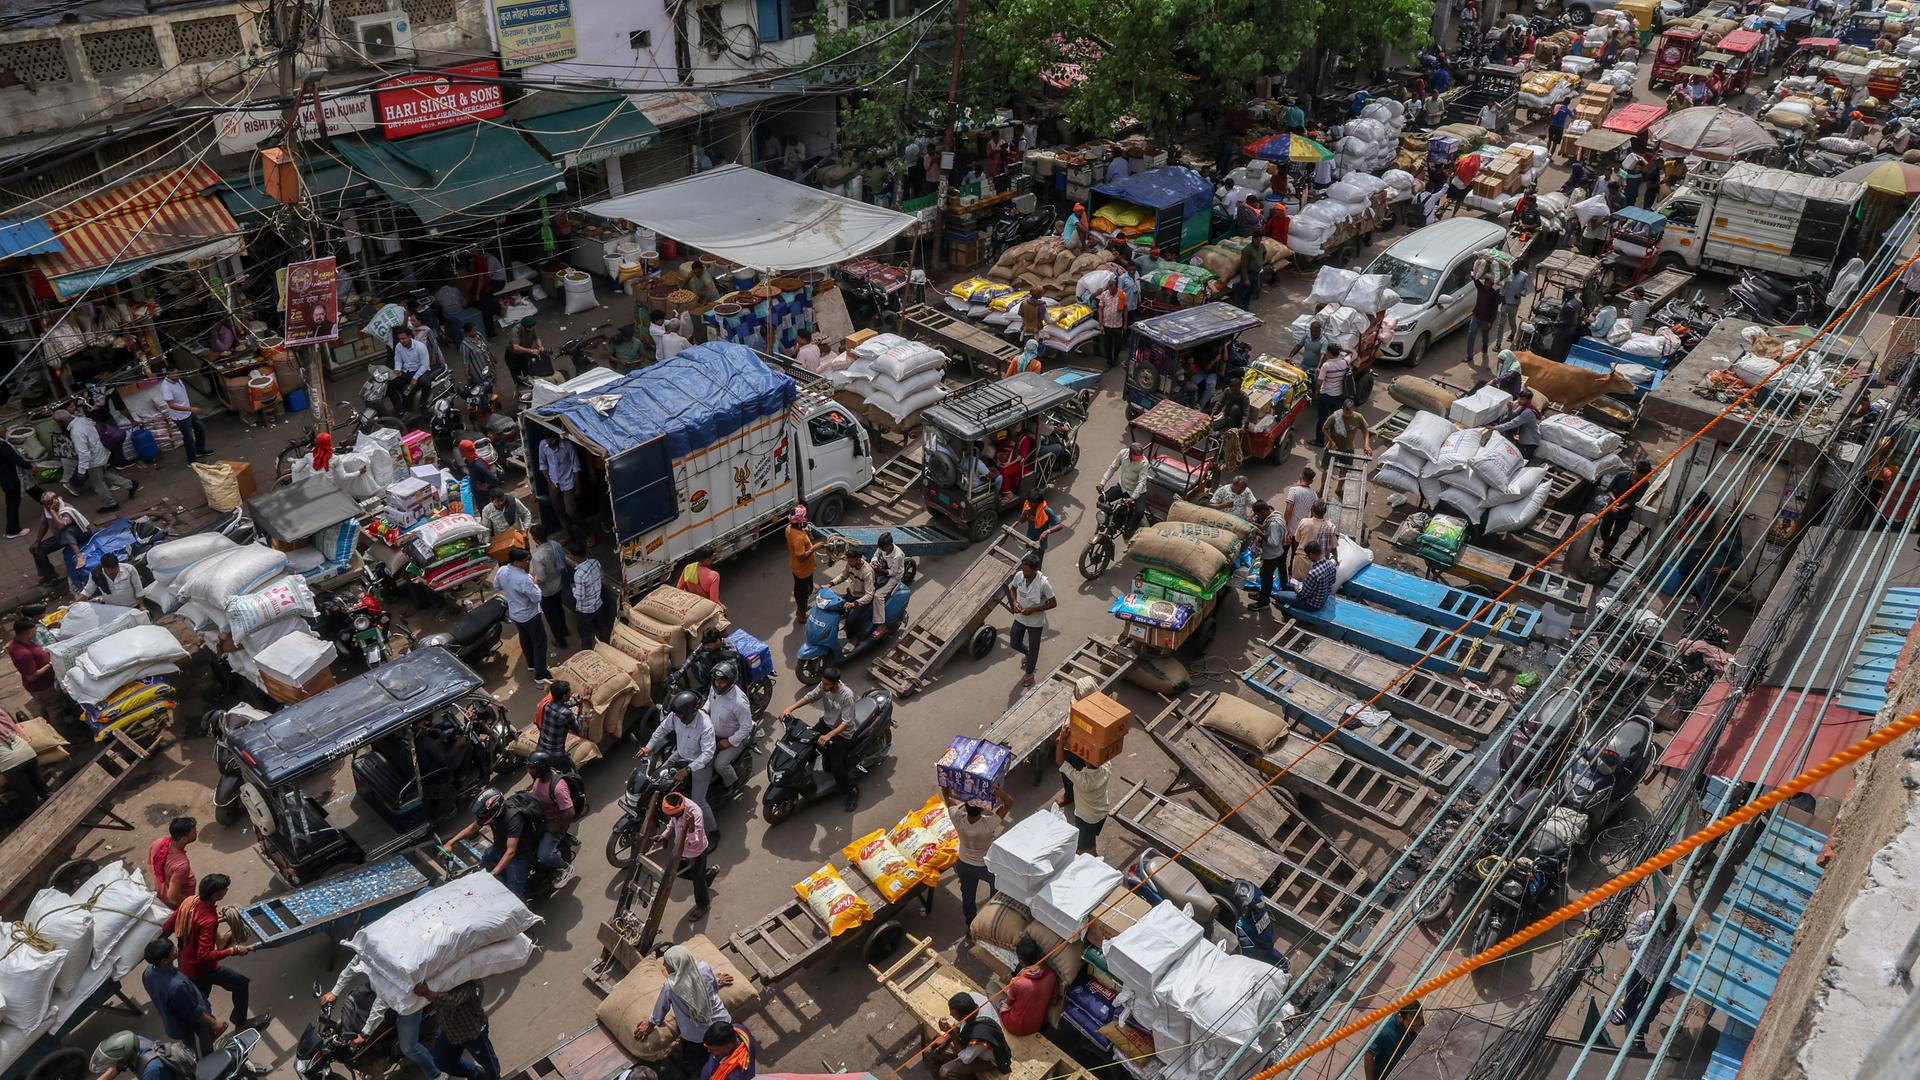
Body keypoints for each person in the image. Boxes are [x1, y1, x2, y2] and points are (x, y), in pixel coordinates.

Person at [162, 875, 265, 1033]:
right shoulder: (209, 920)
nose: (226, 891)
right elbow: (204, 955)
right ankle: (239, 1023)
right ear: (216, 894)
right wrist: (234, 950)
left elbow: (169, 925)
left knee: (201, 998)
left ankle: (208, 1029)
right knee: (240, 983)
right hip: (202, 968)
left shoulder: (190, 901)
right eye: (225, 889)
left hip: (185, 962)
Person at [323, 957, 442, 1080]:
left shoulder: (397, 952)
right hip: (376, 989)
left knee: (409, 1047)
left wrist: (365, 1034)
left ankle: (434, 1074)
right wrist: (335, 991)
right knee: (350, 1011)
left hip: (405, 999)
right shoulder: (374, 940)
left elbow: (385, 996)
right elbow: (357, 958)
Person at [635, 944, 735, 1073]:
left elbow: (662, 1007)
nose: (665, 966)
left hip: (697, 1037)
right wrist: (718, 981)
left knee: (699, 1062)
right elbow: (712, 986)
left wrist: (650, 1024)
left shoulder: (671, 986)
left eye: (667, 963)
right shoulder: (704, 967)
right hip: (723, 1023)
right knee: (729, 1053)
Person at [780, 667, 861, 810]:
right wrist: (790, 708)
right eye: (822, 683)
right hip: (826, 724)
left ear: (835, 684)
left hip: (842, 734)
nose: (823, 686)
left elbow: (847, 722)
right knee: (804, 743)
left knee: (837, 769)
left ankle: (852, 792)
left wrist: (829, 735)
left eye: (827, 684)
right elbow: (810, 696)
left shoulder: (846, 695)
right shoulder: (824, 686)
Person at [1610, 904, 1684, 1052]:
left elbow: (1696, 944)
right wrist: (1648, 935)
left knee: (1653, 1003)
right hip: (1641, 965)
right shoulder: (1644, 919)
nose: (1665, 927)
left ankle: (1639, 1026)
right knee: (1633, 992)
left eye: (1668, 923)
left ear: (1674, 918)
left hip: (1665, 973)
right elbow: (1629, 942)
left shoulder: (1683, 926)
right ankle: (1627, 1010)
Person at [446, 787, 538, 898]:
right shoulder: (492, 816)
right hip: (499, 847)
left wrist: (493, 873)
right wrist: (451, 842)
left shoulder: (513, 819)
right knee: (485, 862)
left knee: (514, 894)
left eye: (483, 815)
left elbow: (511, 852)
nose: (480, 817)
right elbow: (473, 827)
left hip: (518, 857)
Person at [647, 690, 719, 829]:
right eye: (677, 715)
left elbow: (707, 754)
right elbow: (662, 729)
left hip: (700, 764)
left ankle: (714, 831)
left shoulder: (705, 726)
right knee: (657, 778)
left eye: (680, 715)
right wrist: (648, 746)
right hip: (680, 754)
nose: (677, 718)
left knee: (699, 802)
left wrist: (687, 770)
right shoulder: (676, 716)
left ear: (690, 713)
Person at [142, 937, 225, 1056]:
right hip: (191, 1026)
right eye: (172, 949)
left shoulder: (148, 972)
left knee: (201, 1039)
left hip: (175, 1019)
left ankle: (209, 1038)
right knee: (202, 1048)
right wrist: (213, 1023)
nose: (175, 948)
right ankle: (209, 1064)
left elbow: (176, 975)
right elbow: (194, 1013)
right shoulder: (176, 987)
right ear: (164, 961)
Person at [944, 787, 1013, 929]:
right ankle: (991, 921)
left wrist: (950, 783)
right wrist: (999, 792)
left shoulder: (958, 818)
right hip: (985, 867)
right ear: (982, 809)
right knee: (996, 892)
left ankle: (971, 925)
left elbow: (947, 796)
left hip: (963, 864)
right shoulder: (988, 824)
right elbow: (1009, 803)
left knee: (968, 898)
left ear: (965, 807)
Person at [415, 979, 501, 1080]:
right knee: (441, 1060)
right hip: (451, 1031)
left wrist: (427, 993)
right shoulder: (439, 982)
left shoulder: (466, 983)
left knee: (489, 1064)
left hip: (473, 1032)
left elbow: (451, 1002)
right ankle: (476, 1074)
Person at [59, 409, 138, 512]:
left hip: (94, 460)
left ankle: (111, 504)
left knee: (98, 484)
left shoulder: (76, 432)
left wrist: (81, 471)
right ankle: (130, 484)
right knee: (104, 475)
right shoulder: (83, 420)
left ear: (61, 422)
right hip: (101, 452)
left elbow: (83, 453)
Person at [493, 547, 551, 681]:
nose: (528, 562)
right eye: (526, 560)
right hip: (530, 615)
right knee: (539, 643)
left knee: (525, 638)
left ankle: (531, 664)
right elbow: (537, 598)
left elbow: (496, 586)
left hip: (515, 614)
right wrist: (534, 582)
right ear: (516, 562)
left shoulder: (502, 571)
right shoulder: (524, 579)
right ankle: (540, 674)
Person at [925, 992, 1013, 1078]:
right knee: (929, 1052)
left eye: (954, 1015)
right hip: (970, 1044)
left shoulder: (980, 1036)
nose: (950, 1015)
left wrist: (951, 1033)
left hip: (986, 1059)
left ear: (965, 1016)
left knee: (945, 1072)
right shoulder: (972, 998)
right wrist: (946, 1037)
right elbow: (959, 1023)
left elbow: (966, 1058)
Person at [11, 615, 72, 736]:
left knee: (47, 708)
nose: (35, 634)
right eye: (34, 632)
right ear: (27, 633)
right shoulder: (22, 653)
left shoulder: (19, 642)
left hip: (41, 686)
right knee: (55, 709)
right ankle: (66, 735)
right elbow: (32, 676)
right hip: (43, 687)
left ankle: (49, 724)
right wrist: (50, 664)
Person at [1007, 553, 1055, 689]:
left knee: (1035, 649)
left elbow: (1053, 603)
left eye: (1028, 571)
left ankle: (1029, 674)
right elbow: (1012, 589)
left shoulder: (1044, 584)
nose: (1025, 573)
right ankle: (1028, 654)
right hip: (1020, 617)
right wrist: (1015, 602)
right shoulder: (1019, 576)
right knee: (1014, 642)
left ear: (1036, 569)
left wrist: (1033, 610)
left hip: (1035, 622)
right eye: (1024, 569)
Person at [525, 751, 578, 874]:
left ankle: (566, 869)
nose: (529, 770)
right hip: (541, 817)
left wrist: (554, 829)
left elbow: (569, 813)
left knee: (543, 856)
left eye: (532, 768)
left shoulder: (558, 788)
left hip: (553, 824)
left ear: (541, 768)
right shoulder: (539, 777)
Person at [1000, 936, 1060, 1038]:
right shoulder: (1052, 975)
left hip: (1014, 1026)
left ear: (1021, 961)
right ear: (1037, 956)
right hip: (1035, 1026)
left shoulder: (1018, 982)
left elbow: (1008, 1004)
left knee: (992, 988)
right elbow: (1054, 1002)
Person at [706, 662, 753, 790]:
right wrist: (704, 710)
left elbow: (747, 726)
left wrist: (730, 741)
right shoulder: (714, 688)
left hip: (734, 739)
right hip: (714, 733)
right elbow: (709, 701)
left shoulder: (739, 702)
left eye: (722, 682)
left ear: (730, 682)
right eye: (716, 681)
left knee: (720, 765)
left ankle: (732, 785)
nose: (718, 684)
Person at [1056, 748, 1111, 854]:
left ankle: (1091, 857)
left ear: (1086, 762)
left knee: (1085, 848)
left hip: (1087, 819)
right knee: (1090, 836)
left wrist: (1062, 740)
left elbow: (1060, 762)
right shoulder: (1106, 767)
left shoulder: (1083, 781)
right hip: (1102, 811)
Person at [1597, 460, 1654, 561]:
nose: (1643, 478)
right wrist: (1615, 502)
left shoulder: (1644, 484)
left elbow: (1635, 499)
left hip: (1625, 513)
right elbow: (1610, 489)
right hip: (1612, 508)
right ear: (1636, 471)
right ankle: (1606, 541)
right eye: (1642, 475)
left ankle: (1603, 557)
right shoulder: (1621, 476)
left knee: (1615, 537)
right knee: (1603, 529)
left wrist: (1621, 508)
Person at [528, 524, 572, 653]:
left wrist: (532, 581)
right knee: (559, 608)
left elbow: (541, 577)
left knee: (552, 617)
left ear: (535, 538)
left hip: (547, 591)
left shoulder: (538, 557)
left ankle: (561, 641)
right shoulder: (555, 545)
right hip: (558, 584)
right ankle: (564, 630)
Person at [87, 1030, 200, 1080]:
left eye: (113, 1061)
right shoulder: (135, 1041)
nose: (110, 1065)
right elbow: (115, 1069)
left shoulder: (151, 1070)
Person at [0, 707, 49, 811]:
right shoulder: (2, 713)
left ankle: (35, 811)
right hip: (29, 753)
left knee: (29, 798)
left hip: (11, 764)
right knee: (43, 789)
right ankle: (48, 794)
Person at [1363, 1002, 1425, 1080]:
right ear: (1401, 1017)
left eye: (1419, 1025)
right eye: (1412, 1026)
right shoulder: (1385, 1032)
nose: (1417, 1029)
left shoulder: (1417, 1020)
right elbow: (1369, 1055)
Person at [157, 367, 207, 464]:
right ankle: (192, 461)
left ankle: (200, 450)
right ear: (168, 374)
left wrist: (189, 409)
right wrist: (190, 408)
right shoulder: (166, 387)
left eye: (178, 373)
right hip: (180, 417)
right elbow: (171, 405)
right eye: (173, 374)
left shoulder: (178, 380)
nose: (176, 376)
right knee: (189, 439)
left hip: (189, 412)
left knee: (200, 428)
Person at [538, 434, 582, 542]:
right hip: (553, 483)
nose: (549, 443)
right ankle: (568, 535)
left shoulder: (568, 446)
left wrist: (577, 487)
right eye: (547, 440)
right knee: (559, 510)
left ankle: (588, 531)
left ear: (557, 437)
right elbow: (543, 465)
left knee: (570, 511)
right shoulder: (543, 445)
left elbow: (576, 467)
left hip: (568, 482)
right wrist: (550, 482)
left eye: (552, 440)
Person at [568, 544, 615, 644]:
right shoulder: (595, 562)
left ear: (575, 556)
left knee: (586, 636)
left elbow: (580, 597)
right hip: (598, 604)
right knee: (603, 628)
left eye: (571, 555)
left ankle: (588, 653)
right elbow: (601, 576)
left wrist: (573, 588)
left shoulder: (579, 575)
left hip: (585, 610)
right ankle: (606, 645)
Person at [1274, 540, 1338, 612]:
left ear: (1311, 555)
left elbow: (1302, 595)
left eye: (1307, 556)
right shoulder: (1330, 564)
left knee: (1278, 595)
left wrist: (1297, 588)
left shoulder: (1313, 573)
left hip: (1312, 604)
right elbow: (1333, 581)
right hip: (1323, 597)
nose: (1308, 558)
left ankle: (1287, 614)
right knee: (1289, 584)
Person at [868, 532, 908, 640]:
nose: (882, 550)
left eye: (884, 548)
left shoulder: (898, 556)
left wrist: (879, 570)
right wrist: (874, 562)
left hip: (893, 577)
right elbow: (875, 555)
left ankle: (881, 625)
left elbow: (893, 572)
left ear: (890, 545)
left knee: (878, 596)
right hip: (882, 569)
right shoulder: (882, 548)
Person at [1248, 501, 1286, 610]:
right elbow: (1266, 527)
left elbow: (1274, 542)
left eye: (1259, 514)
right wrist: (1255, 525)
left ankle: (1263, 603)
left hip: (1272, 555)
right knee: (1264, 575)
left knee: (1266, 578)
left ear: (1264, 511)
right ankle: (1262, 595)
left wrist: (1260, 534)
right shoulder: (1275, 514)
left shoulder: (1274, 523)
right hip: (1277, 553)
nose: (1259, 517)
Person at [534, 680, 581, 767]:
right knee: (572, 770)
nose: (571, 694)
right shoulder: (567, 714)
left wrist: (576, 702)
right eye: (569, 692)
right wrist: (581, 711)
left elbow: (561, 706)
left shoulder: (548, 705)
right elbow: (577, 729)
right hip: (556, 755)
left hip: (540, 749)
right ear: (564, 696)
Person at [390, 328, 432, 417]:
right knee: (390, 385)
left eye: (403, 338)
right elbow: (398, 360)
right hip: (407, 372)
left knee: (425, 383)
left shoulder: (420, 347)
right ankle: (400, 410)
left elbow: (425, 365)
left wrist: (415, 378)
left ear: (409, 337)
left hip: (421, 370)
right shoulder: (398, 346)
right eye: (400, 339)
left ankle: (423, 404)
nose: (401, 341)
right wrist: (397, 369)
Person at [1313, 350, 1353, 443]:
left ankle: (1319, 441)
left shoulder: (1326, 365)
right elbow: (1353, 353)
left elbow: (1319, 382)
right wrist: (1342, 349)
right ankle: (1335, 440)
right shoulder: (1344, 362)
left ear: (1329, 353)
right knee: (1336, 419)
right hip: (1338, 396)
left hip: (1326, 396)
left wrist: (1317, 392)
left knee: (1322, 419)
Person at [785, 506, 817, 620]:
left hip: (802, 569)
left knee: (807, 589)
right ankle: (801, 613)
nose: (807, 519)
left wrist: (805, 531)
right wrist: (814, 548)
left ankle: (802, 606)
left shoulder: (789, 528)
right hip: (802, 570)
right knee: (803, 592)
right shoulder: (798, 538)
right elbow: (800, 557)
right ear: (800, 522)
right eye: (805, 517)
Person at [1491, 391, 1543, 457]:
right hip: (1523, 439)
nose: (1519, 400)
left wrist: (1495, 428)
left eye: (1522, 399)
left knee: (1523, 460)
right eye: (1519, 398)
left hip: (1529, 441)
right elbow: (1514, 417)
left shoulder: (1528, 412)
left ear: (1529, 400)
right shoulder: (1523, 407)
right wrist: (1510, 409)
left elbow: (1514, 423)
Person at [1466, 276, 1500, 369]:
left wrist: (1491, 322)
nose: (1487, 285)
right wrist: (1473, 275)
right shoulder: (1480, 288)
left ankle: (1485, 346)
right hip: (1476, 316)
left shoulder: (1494, 294)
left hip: (1486, 320)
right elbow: (1475, 279)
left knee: (1485, 336)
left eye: (1489, 283)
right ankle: (1469, 355)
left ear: (1492, 284)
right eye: (1486, 283)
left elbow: (1495, 310)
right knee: (1470, 335)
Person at [1496, 266, 1529, 351]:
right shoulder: (1507, 273)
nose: (1515, 267)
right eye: (1514, 265)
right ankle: (1498, 344)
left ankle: (1513, 332)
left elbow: (1525, 290)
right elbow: (1502, 286)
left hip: (1514, 304)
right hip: (1505, 303)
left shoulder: (1524, 276)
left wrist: (1520, 294)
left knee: (1512, 321)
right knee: (1500, 325)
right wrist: (1502, 297)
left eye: (1517, 265)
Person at [459, 440, 500, 508]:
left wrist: (487, 486)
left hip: (486, 500)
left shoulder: (478, 465)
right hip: (479, 499)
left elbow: (494, 479)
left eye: (461, 450)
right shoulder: (469, 462)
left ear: (464, 452)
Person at [1096, 281, 1127, 367]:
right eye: (1109, 289)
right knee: (1107, 345)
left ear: (1116, 287)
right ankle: (1110, 362)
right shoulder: (1104, 295)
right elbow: (1100, 309)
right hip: (1107, 325)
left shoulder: (1122, 294)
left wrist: (1125, 324)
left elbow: (1125, 309)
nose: (1111, 291)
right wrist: (1101, 324)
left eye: (1112, 289)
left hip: (1118, 325)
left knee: (1118, 345)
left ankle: (1116, 355)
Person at [506, 318, 544, 384]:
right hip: (513, 355)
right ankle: (520, 388)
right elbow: (516, 347)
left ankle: (529, 386)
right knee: (517, 375)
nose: (533, 329)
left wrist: (540, 346)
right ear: (525, 327)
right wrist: (531, 351)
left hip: (524, 354)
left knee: (528, 372)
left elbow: (536, 338)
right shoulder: (515, 331)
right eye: (531, 328)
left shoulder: (531, 328)